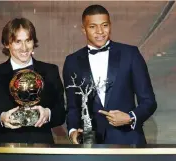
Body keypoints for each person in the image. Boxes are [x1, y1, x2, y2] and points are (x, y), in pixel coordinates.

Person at [63, 4, 157, 144]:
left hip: (128, 141)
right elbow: (72, 107)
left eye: (104, 25)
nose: (100, 31)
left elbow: (149, 101)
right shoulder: (72, 61)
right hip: (90, 144)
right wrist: (72, 132)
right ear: (84, 29)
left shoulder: (130, 54)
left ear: (110, 25)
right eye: (93, 26)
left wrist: (130, 117)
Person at [0, 18, 66, 144]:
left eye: (28, 40)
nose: (24, 48)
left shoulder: (50, 71)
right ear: (7, 44)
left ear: (33, 42)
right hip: (7, 150)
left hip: (43, 149)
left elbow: (61, 113)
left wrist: (48, 114)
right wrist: (2, 118)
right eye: (18, 42)